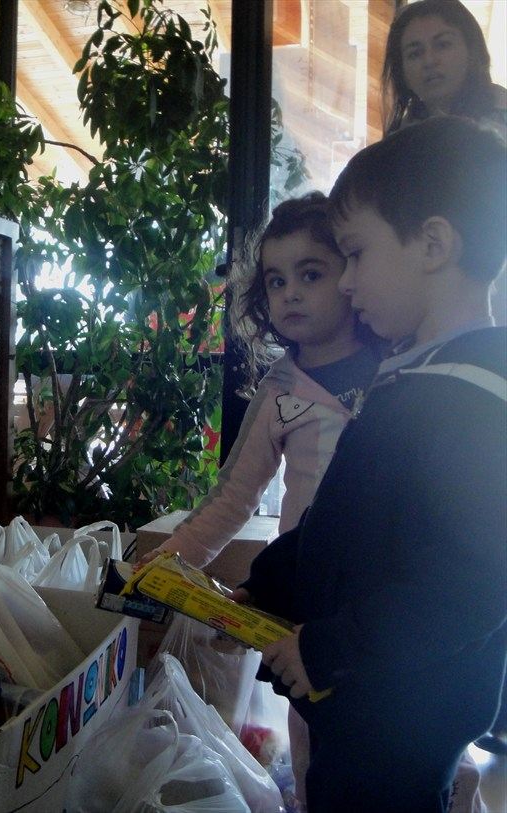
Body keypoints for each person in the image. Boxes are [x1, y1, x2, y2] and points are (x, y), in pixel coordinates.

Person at [236, 115, 507, 813]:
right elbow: (344, 526)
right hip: (365, 699)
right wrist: (261, 586)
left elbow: (471, 581)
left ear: (433, 245)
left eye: (355, 254)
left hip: (401, 715)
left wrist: (330, 648)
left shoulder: (473, 395)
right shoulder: (417, 375)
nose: (348, 282)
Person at [138, 193, 382, 570]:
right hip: (305, 579)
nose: (290, 294)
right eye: (276, 282)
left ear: (352, 274)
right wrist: (171, 558)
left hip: (388, 583)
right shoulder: (278, 389)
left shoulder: (399, 365)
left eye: (311, 275)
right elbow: (234, 495)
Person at [383, 0, 507, 138]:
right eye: (415, 54)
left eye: (443, 45)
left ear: (471, 51)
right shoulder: (398, 142)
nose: (429, 61)